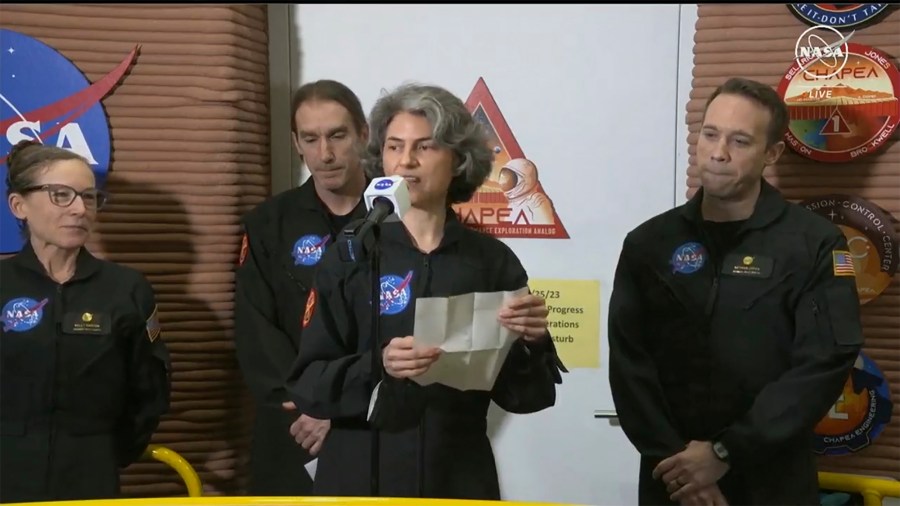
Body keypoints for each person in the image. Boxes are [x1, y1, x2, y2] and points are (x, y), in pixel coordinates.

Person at [284, 82, 566, 499]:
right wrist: (379, 365)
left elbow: (529, 396)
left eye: (425, 147)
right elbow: (308, 383)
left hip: (456, 474)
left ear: (457, 159)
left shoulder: (491, 262)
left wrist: (532, 341)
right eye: (394, 147)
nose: (406, 162)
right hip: (360, 473)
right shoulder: (350, 254)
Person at [607, 76, 864, 506]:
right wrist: (681, 467)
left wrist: (726, 452)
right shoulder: (648, 243)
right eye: (710, 134)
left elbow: (823, 362)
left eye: (740, 141)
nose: (718, 152)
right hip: (671, 479)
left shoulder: (813, 244)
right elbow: (629, 363)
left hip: (771, 478)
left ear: (772, 153)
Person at [0, 140, 171, 502]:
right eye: (61, 195)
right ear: (19, 205)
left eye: (89, 197)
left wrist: (106, 450)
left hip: (91, 472)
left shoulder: (127, 289)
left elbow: (150, 386)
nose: (80, 209)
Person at [233, 79, 370, 495]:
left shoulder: (404, 218)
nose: (324, 154)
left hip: (376, 422)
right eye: (310, 139)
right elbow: (255, 327)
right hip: (294, 424)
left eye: (337, 136)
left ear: (363, 134)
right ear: (296, 142)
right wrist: (311, 405)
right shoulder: (269, 223)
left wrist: (348, 407)